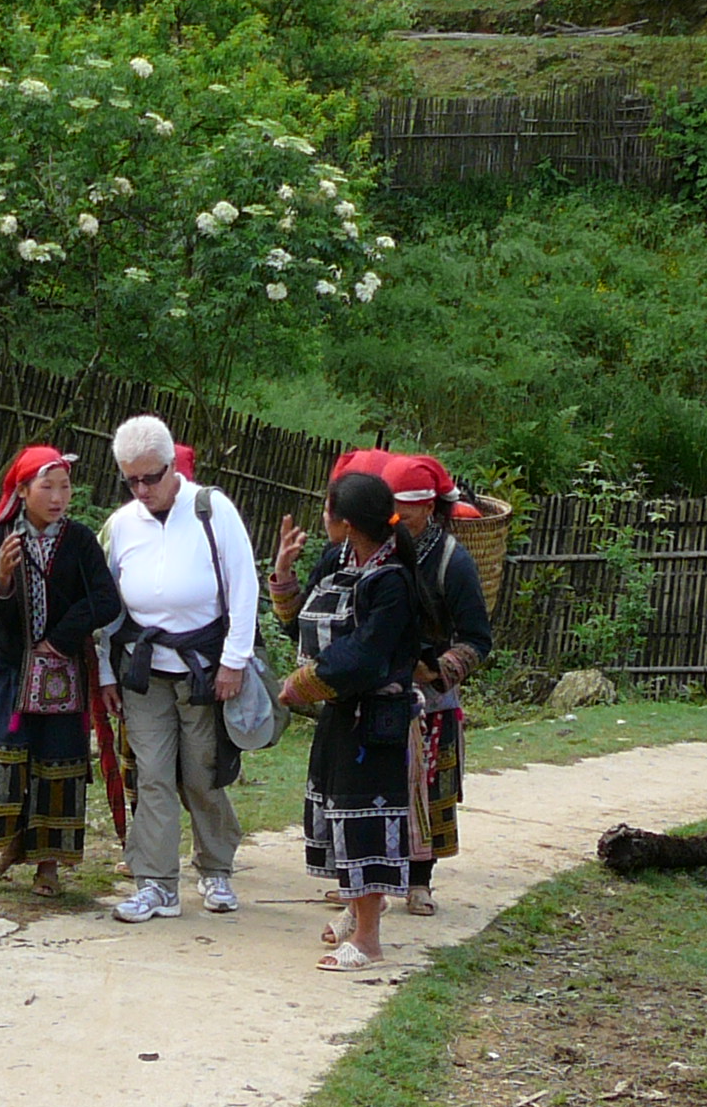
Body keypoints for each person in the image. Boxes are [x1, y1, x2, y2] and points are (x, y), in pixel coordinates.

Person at [97, 414, 259, 922]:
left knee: (202, 772)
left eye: (152, 477)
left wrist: (234, 661)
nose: (143, 489)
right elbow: (109, 610)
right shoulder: (121, 526)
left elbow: (243, 587)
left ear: (173, 467)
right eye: (132, 480)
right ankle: (156, 882)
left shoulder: (213, 510)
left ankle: (216, 867)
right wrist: (105, 673)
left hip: (204, 668)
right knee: (152, 775)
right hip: (144, 670)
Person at [275, 469, 420, 971]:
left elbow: (366, 655)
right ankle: (357, 917)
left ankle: (370, 940)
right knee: (339, 813)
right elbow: (298, 621)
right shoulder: (339, 559)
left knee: (365, 818)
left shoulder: (393, 581)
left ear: (349, 522)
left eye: (327, 509)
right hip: (340, 713)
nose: (322, 518)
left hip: (374, 719)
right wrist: (285, 576)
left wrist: (303, 683)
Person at [0, 445, 122, 897]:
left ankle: (49, 865)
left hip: (61, 672)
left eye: (64, 487)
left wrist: (59, 638)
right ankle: (6, 843)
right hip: (10, 667)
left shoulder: (79, 542)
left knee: (57, 764)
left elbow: (105, 599)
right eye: (47, 486)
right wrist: (1, 580)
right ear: (22, 490)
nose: (59, 497)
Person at [384, 452, 494, 915]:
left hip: (431, 698)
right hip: (381, 690)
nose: (393, 516)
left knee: (427, 790)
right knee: (377, 786)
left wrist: (436, 670)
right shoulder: (378, 548)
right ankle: (368, 878)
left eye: (402, 509)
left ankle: (420, 882)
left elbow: (477, 639)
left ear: (427, 509)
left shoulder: (453, 561)